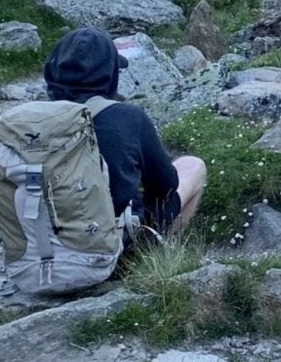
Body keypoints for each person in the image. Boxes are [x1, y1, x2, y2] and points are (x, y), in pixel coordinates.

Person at [42, 27, 208, 238]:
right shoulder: (129, 117)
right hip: (110, 246)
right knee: (193, 166)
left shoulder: (26, 122)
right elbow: (166, 186)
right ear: (110, 75)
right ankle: (159, 253)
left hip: (39, 246)